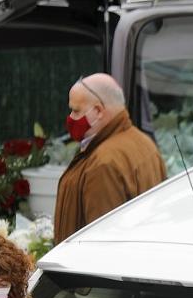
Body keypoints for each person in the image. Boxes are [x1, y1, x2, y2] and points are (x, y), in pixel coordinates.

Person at [53, 73, 167, 243]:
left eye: (76, 110)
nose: (70, 118)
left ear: (98, 111)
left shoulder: (103, 163)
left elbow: (101, 242)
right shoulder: (144, 142)